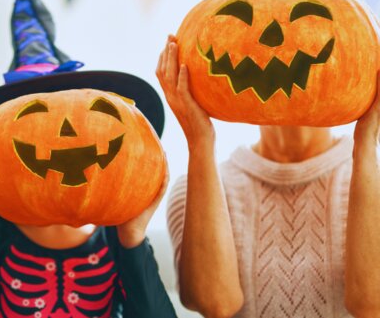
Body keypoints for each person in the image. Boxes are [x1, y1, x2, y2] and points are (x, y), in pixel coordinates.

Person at [0, 0, 177, 318]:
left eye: (88, 115)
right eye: (33, 118)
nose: (65, 133)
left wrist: (133, 238)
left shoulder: (117, 234)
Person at [159, 35, 380, 318]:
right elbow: (215, 304)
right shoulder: (196, 188)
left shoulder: (371, 178)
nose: (275, 45)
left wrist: (367, 143)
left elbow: (372, 303)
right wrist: (199, 142)